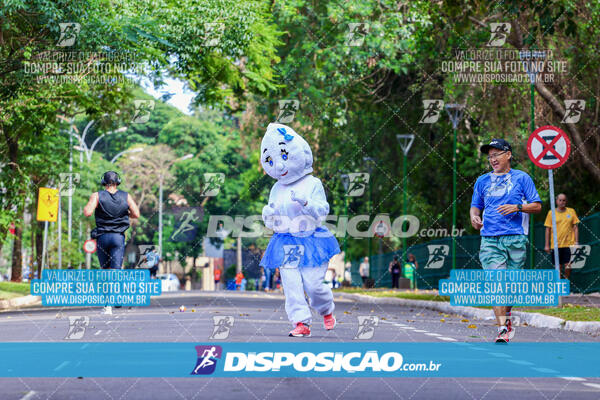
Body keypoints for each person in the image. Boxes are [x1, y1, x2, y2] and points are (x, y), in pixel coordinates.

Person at [259, 123, 340, 337]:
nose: (277, 166)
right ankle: (301, 322)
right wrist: (268, 215)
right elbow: (273, 221)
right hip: (286, 241)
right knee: (292, 284)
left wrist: (306, 204)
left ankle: (326, 310)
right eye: (270, 160)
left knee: (313, 285)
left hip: (313, 240)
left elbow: (322, 212)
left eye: (284, 156)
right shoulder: (276, 188)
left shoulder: (313, 183)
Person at [470, 139, 541, 343]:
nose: (492, 159)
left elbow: (537, 206)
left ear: (508, 154)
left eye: (496, 154)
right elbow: (475, 206)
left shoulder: (522, 178)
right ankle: (502, 328)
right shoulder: (482, 181)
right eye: (490, 156)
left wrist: (517, 207)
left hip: (516, 239)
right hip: (490, 239)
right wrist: (474, 217)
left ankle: (506, 318)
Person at [84, 171, 140, 315]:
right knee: (116, 270)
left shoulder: (96, 195)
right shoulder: (126, 196)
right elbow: (136, 214)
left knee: (105, 272)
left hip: (103, 237)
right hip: (118, 238)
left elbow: (87, 212)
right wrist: (125, 213)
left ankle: (107, 306)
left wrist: (95, 207)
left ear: (104, 182)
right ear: (118, 182)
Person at [544, 193, 580, 280]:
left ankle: (566, 279)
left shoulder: (571, 211)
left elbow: (575, 228)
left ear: (566, 201)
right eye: (560, 200)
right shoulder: (551, 213)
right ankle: (559, 285)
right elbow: (547, 229)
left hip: (569, 244)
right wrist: (547, 245)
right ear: (556, 201)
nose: (562, 202)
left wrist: (576, 242)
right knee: (558, 266)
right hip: (556, 244)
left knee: (568, 265)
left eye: (564, 200)